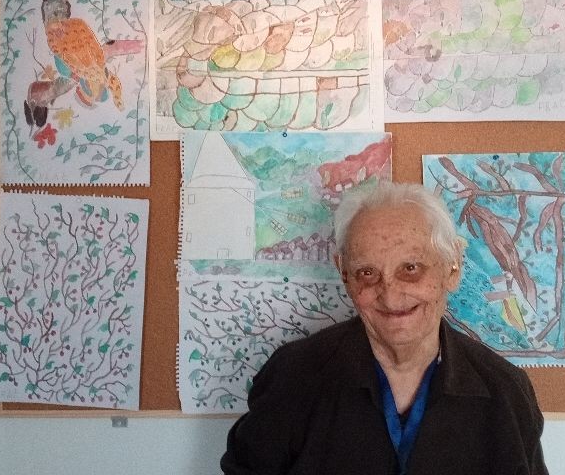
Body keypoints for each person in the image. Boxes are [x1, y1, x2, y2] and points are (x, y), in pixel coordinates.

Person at [221, 181, 548, 475]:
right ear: (344, 273)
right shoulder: (292, 377)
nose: (390, 297)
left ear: (453, 268)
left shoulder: (504, 391)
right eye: (367, 273)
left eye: (411, 268)